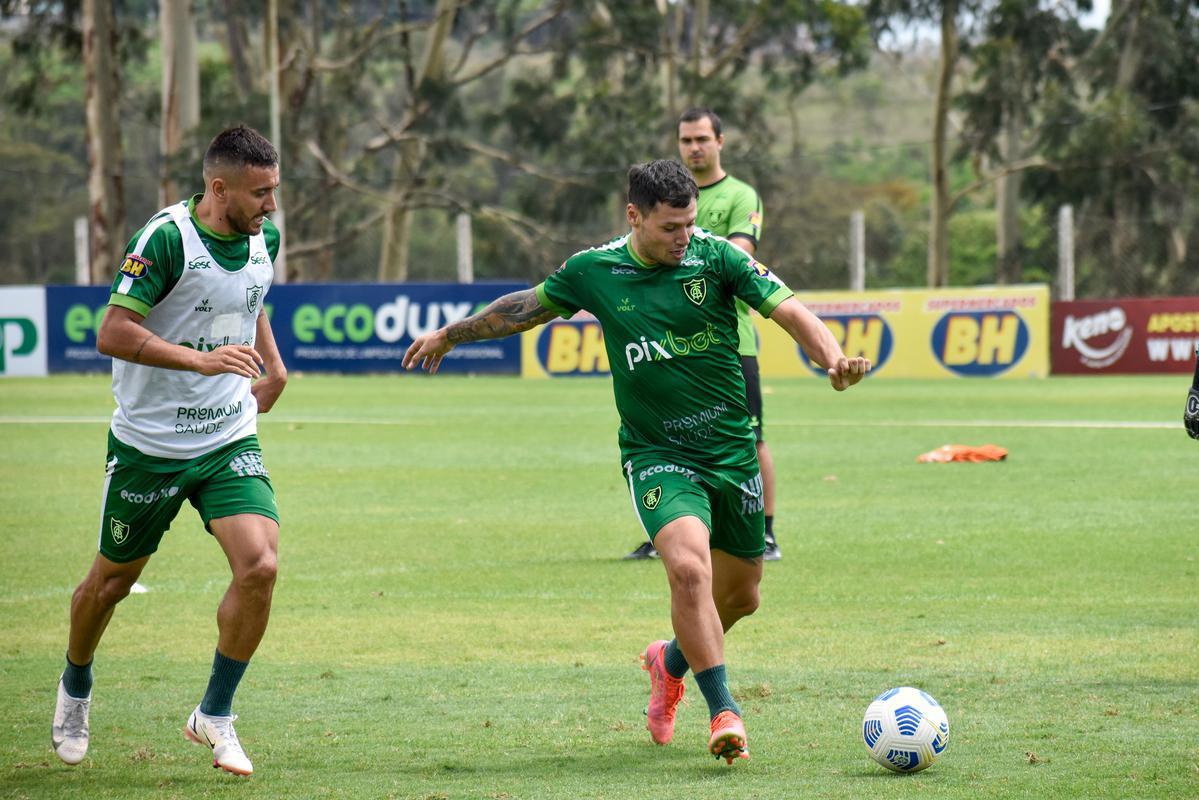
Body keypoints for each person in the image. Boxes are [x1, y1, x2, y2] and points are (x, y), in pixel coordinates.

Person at [403, 159, 869, 763]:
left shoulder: (718, 258)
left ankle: (667, 662)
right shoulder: (593, 271)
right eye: (671, 227)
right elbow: (523, 308)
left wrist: (832, 359)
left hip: (731, 452)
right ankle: (724, 711)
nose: (685, 237)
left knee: (742, 597)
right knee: (690, 571)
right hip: (657, 454)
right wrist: (451, 334)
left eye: (690, 224)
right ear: (634, 216)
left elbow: (791, 311)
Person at [51, 125, 287, 777]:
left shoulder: (263, 235)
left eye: (274, 190)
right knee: (110, 585)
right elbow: (113, 332)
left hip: (227, 434)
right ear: (220, 188)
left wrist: (273, 364)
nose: (271, 205)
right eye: (260, 193)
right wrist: (199, 360)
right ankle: (76, 685)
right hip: (149, 445)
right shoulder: (165, 239)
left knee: (260, 566)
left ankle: (215, 714)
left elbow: (251, 298)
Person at [626, 107, 780, 561]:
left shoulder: (740, 195)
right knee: (661, 436)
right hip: (665, 342)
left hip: (728, 342)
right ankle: (672, 528)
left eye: (702, 139)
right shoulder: (660, 197)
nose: (694, 147)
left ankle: (765, 530)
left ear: (720, 142)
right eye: (686, 140)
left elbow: (740, 254)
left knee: (750, 437)